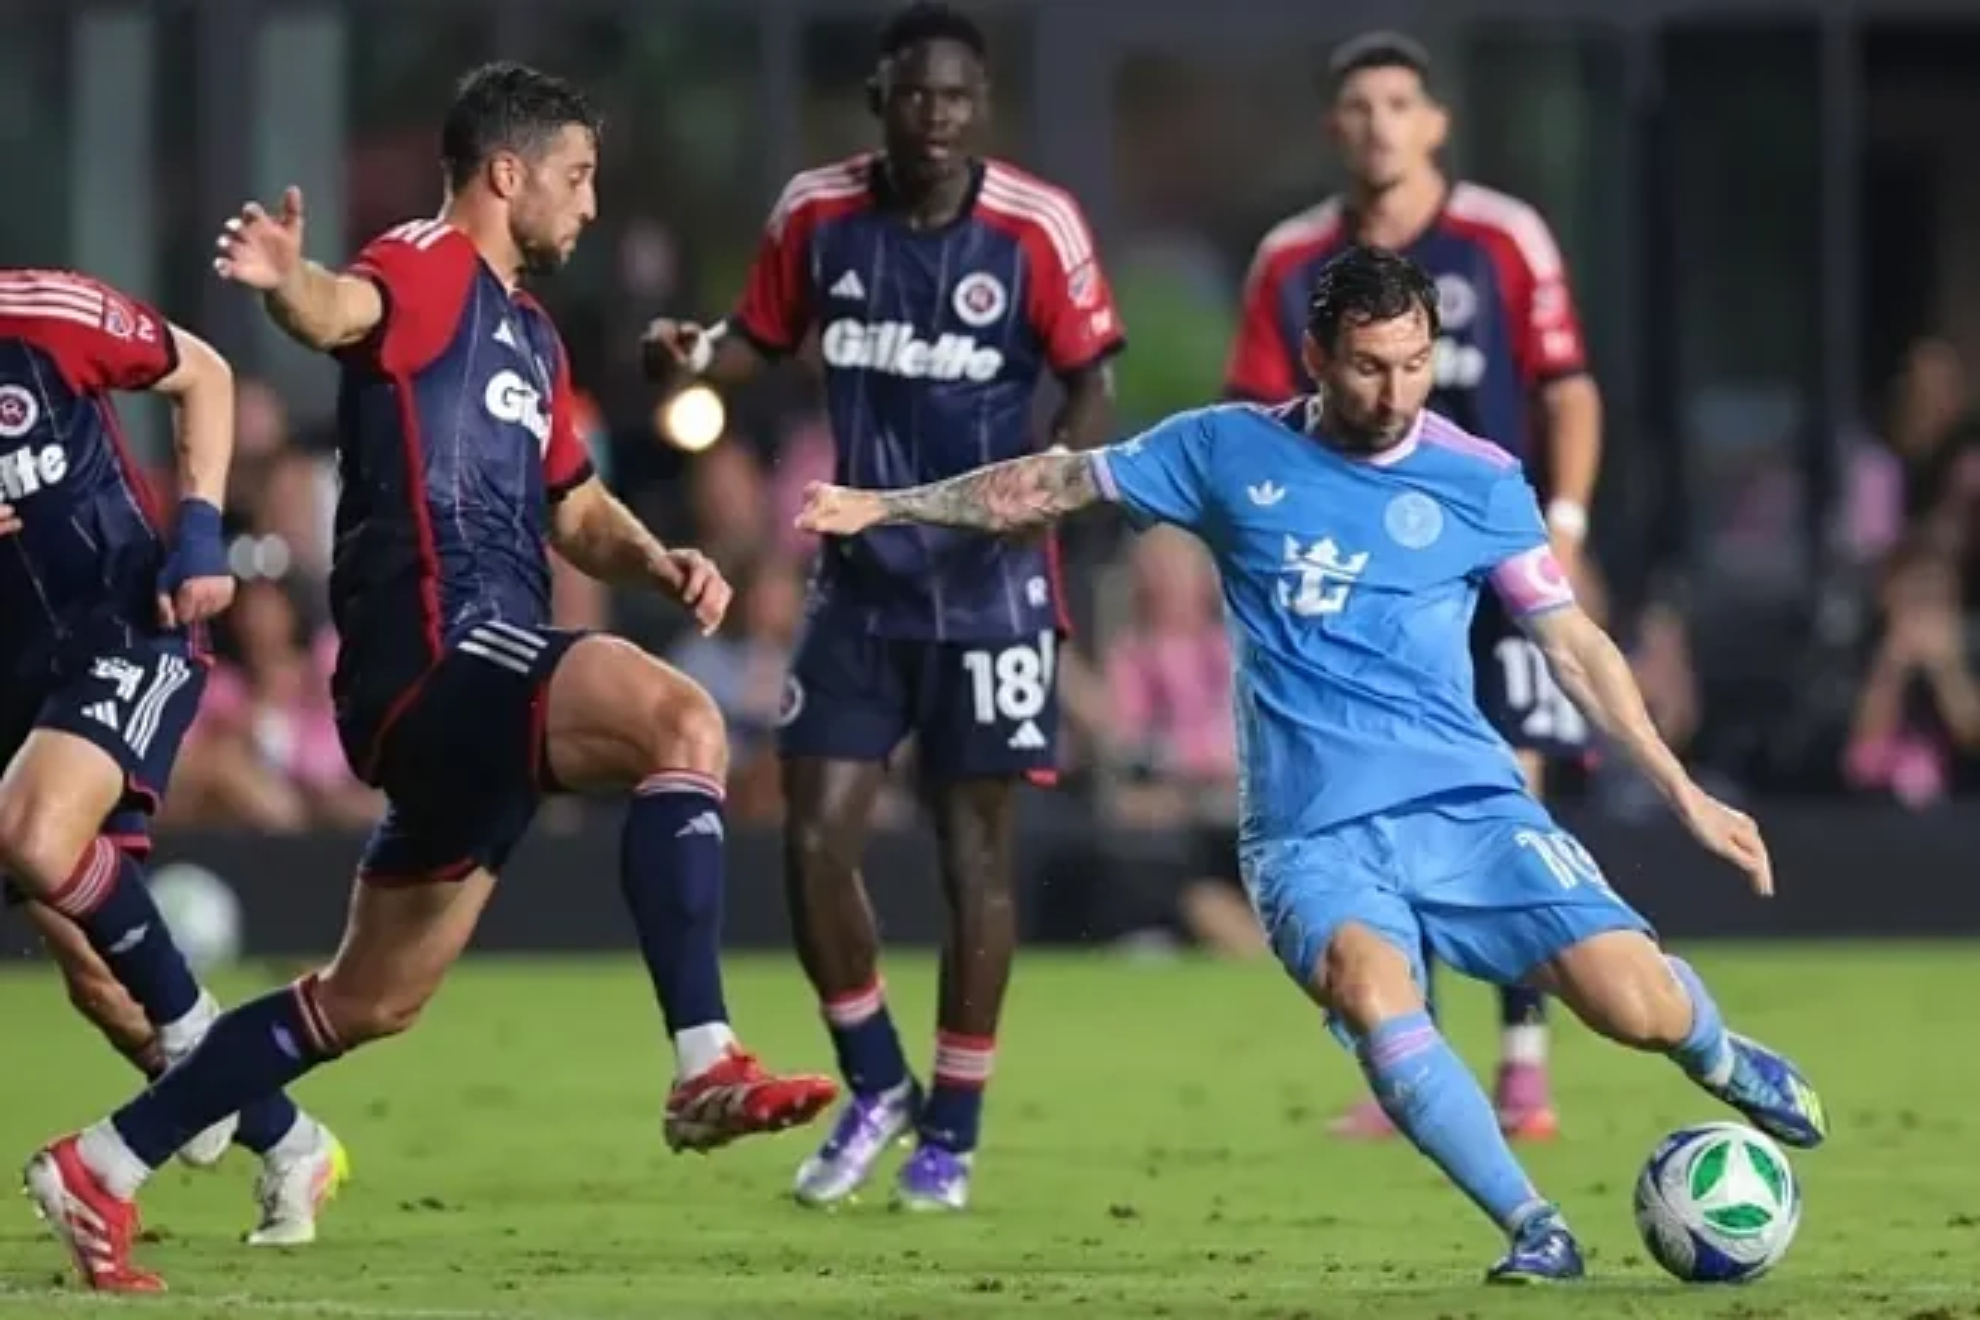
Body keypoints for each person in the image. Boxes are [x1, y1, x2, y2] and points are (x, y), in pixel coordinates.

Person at [795, 245, 1826, 1281]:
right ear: (1315, 357)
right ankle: (1533, 1226)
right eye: (1371, 366)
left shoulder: (1478, 479)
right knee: (1376, 997)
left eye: (1416, 363)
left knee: (1633, 1007)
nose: (1396, 392)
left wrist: (1678, 786)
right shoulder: (1221, 451)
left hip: (1467, 806)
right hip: (1309, 835)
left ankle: (1723, 1055)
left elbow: (1573, 644)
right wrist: (888, 506)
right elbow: (1054, 484)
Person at [24, 63, 835, 1294]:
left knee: (366, 1001)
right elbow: (343, 310)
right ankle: (703, 1058)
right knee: (677, 715)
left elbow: (573, 506)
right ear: (507, 175)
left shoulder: (532, 333)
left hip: (477, 686)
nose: (592, 204)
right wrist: (285, 280)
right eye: (578, 177)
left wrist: (661, 562)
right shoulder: (427, 260)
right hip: (438, 652)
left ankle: (103, 1165)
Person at [646, 1, 1122, 1212]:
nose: (939, 119)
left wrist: (1054, 483)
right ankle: (875, 1081)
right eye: (917, 96)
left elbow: (1092, 376)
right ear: (880, 101)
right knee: (811, 839)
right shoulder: (817, 212)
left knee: (976, 862)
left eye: (959, 98)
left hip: (990, 590)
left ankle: (952, 1128)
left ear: (983, 110)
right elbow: (756, 336)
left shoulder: (1035, 225)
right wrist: (695, 357)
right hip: (857, 580)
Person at [1224, 31, 1606, 1141]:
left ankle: (1525, 1068)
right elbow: (1252, 427)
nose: (1381, 122)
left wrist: (1566, 527)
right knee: (1377, 808)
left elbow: (1570, 389)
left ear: (1434, 122)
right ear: (1334, 128)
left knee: (1508, 797)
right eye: (1360, 105)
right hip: (1364, 587)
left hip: (1490, 569)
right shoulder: (1291, 260)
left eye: (1401, 102)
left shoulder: (1503, 236)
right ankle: (1414, 1056)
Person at [0, 267, 346, 1248]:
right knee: (100, 986)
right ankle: (293, 1141)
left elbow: (204, 373)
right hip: (18, 686)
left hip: (123, 628)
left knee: (31, 831)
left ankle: (194, 1050)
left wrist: (197, 530)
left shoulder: (44, 316)